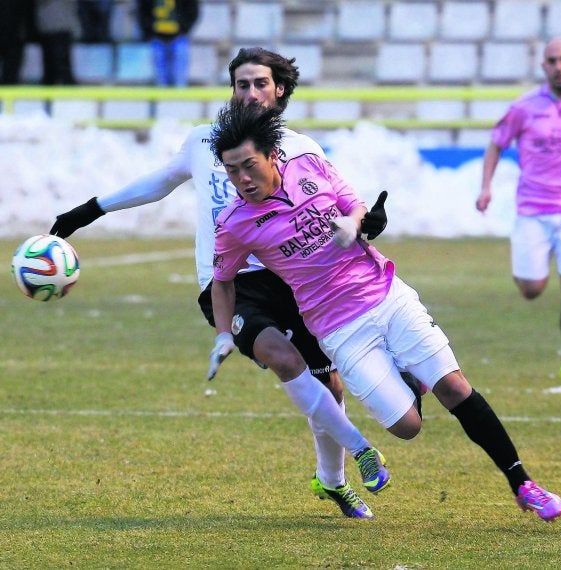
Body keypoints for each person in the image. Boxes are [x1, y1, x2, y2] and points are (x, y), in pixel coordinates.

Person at [49, 47, 393, 519]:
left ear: (280, 91)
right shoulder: (204, 141)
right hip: (227, 282)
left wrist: (366, 223)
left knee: (328, 383)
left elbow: (333, 209)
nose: (249, 93)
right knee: (280, 357)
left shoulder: (298, 148)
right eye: (240, 84)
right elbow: (158, 182)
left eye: (259, 84)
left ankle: (330, 480)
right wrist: (88, 211)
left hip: (291, 277)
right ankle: (360, 448)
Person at [208, 100, 561, 523]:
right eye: (232, 171)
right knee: (407, 427)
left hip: (386, 295)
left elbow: (356, 206)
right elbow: (223, 279)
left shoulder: (309, 166)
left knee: (453, 387)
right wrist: (224, 335)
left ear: (271, 155)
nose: (242, 179)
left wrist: (354, 222)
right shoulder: (234, 223)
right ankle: (412, 377)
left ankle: (523, 483)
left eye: (248, 165)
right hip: (338, 329)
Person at [476, 36, 561, 383]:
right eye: (553, 61)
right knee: (531, 289)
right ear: (543, 66)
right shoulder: (524, 107)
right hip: (533, 209)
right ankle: (532, 266)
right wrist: (486, 186)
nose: (559, 67)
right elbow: (496, 144)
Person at [136, 0, 199, 87]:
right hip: (156, 38)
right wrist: (149, 30)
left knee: (179, 75)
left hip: (179, 37)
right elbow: (142, 11)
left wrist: (183, 28)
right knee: (159, 77)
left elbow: (193, 10)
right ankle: (162, 96)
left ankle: (179, 97)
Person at [34, 0, 78, 85]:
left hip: (61, 26)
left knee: (62, 64)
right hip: (49, 27)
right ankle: (51, 89)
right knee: (51, 65)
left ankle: (66, 87)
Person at [0, 0, 33, 84]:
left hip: (15, 37)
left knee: (11, 74)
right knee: (11, 74)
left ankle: (8, 95)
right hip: (15, 36)